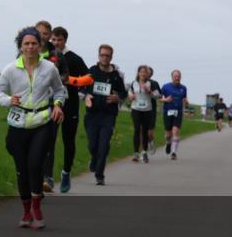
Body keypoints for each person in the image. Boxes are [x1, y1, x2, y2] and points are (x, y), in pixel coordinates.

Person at [0, 26, 67, 229]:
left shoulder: (49, 68)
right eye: (26, 43)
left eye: (34, 43)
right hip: (18, 123)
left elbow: (60, 91)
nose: (30, 47)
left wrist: (58, 105)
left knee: (35, 165)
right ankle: (26, 210)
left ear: (40, 45)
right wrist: (9, 100)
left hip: (41, 121)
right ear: (21, 46)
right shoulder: (10, 69)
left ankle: (36, 207)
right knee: (22, 169)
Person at [48, 26, 90, 192]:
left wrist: (70, 81)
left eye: (59, 40)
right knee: (48, 139)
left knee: (68, 140)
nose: (56, 43)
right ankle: (48, 177)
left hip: (70, 104)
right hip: (50, 103)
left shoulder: (74, 58)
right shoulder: (46, 56)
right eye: (53, 39)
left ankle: (66, 172)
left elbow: (88, 78)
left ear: (65, 40)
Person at [83, 44, 128, 185]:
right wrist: (86, 96)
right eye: (102, 55)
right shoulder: (91, 71)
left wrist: (117, 98)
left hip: (108, 115)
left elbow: (124, 93)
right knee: (92, 145)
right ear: (98, 56)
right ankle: (94, 158)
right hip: (92, 114)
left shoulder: (116, 75)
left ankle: (100, 175)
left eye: (107, 56)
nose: (104, 58)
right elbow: (82, 87)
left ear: (111, 57)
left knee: (103, 145)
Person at [35, 20, 69, 192]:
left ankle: (47, 177)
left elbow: (66, 76)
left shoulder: (56, 54)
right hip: (31, 104)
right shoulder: (26, 50)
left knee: (49, 140)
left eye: (45, 33)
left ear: (49, 35)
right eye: (39, 32)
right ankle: (33, 175)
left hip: (51, 103)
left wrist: (54, 79)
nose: (42, 36)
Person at [128, 65, 160, 163]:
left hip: (147, 110)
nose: (143, 74)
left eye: (145, 72)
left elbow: (157, 96)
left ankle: (144, 152)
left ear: (147, 74)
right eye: (141, 72)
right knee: (137, 129)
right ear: (138, 73)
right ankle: (136, 153)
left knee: (145, 131)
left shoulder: (151, 83)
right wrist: (131, 96)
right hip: (136, 109)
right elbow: (129, 92)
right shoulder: (134, 83)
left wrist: (149, 91)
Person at [160, 70, 189, 159]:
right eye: (175, 76)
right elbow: (159, 98)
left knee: (175, 131)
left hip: (178, 112)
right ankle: (168, 142)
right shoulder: (165, 87)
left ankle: (174, 153)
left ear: (180, 77)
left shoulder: (183, 88)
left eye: (178, 76)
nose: (177, 78)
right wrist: (166, 100)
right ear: (172, 77)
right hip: (167, 112)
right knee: (168, 134)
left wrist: (186, 102)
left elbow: (184, 99)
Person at [147, 68, 162, 155]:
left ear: (151, 74)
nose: (145, 73)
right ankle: (142, 152)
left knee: (149, 133)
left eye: (147, 72)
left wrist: (151, 93)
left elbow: (159, 96)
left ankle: (151, 142)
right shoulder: (138, 82)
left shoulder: (154, 83)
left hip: (151, 110)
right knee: (140, 131)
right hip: (139, 110)